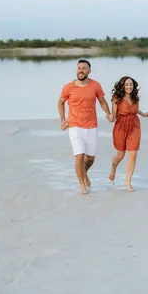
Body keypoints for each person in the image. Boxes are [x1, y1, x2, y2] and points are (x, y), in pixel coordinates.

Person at [58, 59, 113, 195]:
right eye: (79, 68)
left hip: (91, 126)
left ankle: (84, 174)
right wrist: (63, 120)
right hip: (75, 125)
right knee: (79, 155)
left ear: (89, 71)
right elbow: (61, 102)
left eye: (84, 68)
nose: (81, 70)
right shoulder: (68, 87)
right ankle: (82, 185)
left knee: (90, 159)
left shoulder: (95, 86)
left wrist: (108, 113)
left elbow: (102, 101)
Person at [108, 76, 148, 192]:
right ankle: (113, 168)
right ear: (122, 86)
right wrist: (111, 117)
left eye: (131, 84)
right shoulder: (116, 98)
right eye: (127, 84)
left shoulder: (135, 97)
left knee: (133, 154)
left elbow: (134, 109)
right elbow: (113, 114)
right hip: (121, 126)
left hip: (134, 126)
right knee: (120, 155)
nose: (129, 87)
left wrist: (143, 114)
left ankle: (128, 181)